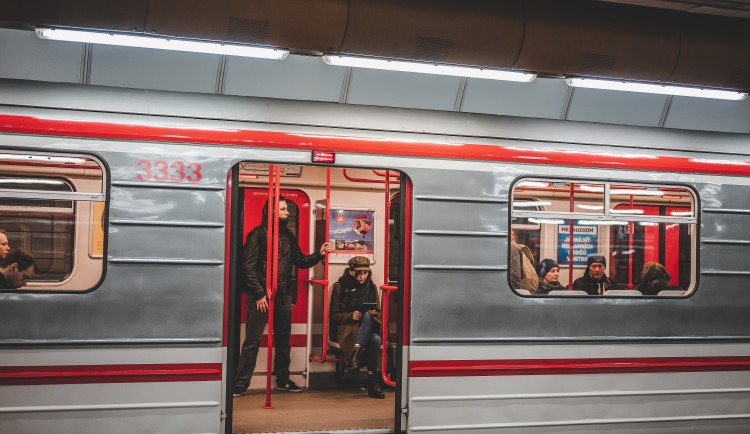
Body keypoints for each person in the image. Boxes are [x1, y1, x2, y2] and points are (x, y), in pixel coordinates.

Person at [233, 196, 332, 396]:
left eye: (287, 209)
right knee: (252, 341)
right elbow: (247, 267)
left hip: (283, 295)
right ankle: (241, 383)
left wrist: (319, 254)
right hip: (261, 297)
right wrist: (260, 293)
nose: (287, 213)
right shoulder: (257, 234)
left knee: (283, 341)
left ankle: (283, 380)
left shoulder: (288, 235)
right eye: (283, 209)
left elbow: (300, 261)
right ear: (272, 212)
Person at [329, 256, 385, 399]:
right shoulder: (340, 286)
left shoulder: (371, 288)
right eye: (359, 273)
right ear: (351, 271)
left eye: (365, 273)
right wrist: (350, 315)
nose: (362, 277)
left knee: (369, 319)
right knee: (375, 340)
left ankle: (356, 354)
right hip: (348, 329)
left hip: (366, 326)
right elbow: (334, 315)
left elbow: (378, 313)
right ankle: (373, 384)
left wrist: (369, 313)